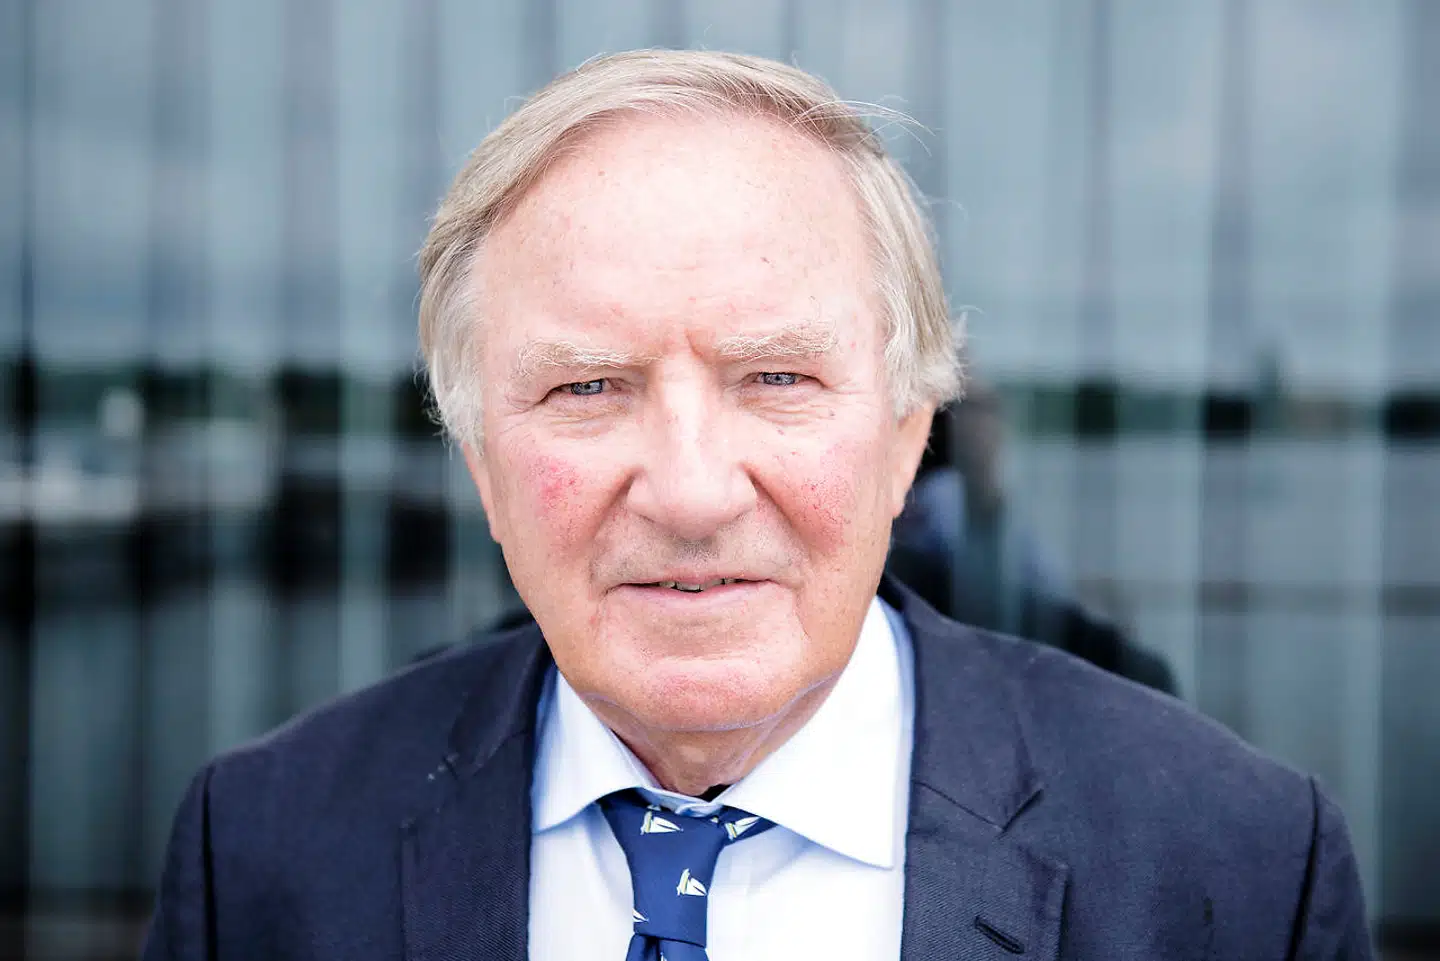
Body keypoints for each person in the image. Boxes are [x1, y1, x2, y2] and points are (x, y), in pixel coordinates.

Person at [142, 50, 1370, 960]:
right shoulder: (263, 848)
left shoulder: (1237, 864)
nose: (690, 492)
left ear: (908, 436)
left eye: (777, 379)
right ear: (481, 465)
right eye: (587, 387)